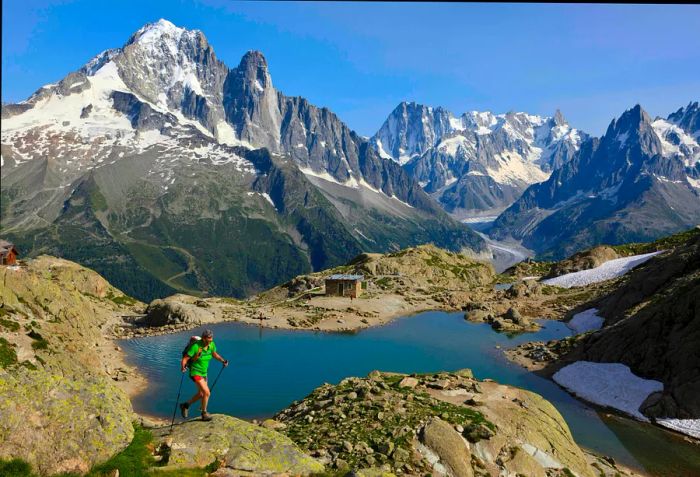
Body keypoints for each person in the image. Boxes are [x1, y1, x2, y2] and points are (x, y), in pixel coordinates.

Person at [179, 329, 228, 421]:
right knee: (207, 392)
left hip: (204, 372)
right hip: (195, 372)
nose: (211, 340)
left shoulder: (211, 344)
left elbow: (214, 354)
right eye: (209, 338)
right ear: (204, 338)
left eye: (211, 338)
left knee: (201, 394)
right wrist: (183, 367)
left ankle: (185, 405)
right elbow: (185, 359)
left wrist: (223, 360)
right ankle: (204, 413)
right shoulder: (196, 346)